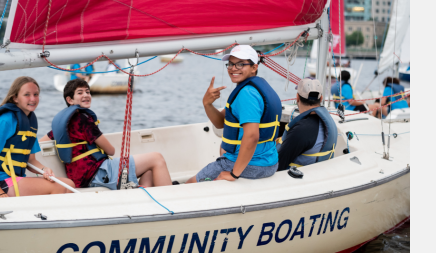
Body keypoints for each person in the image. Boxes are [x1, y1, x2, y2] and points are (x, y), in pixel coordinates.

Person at [40, 78, 172, 189]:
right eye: (80, 92)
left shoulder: (62, 124)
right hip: (99, 173)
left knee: (148, 171)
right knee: (156, 158)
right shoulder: (84, 119)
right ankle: (172, 200)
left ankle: (143, 202)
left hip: (82, 178)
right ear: (70, 100)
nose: (86, 95)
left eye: (88, 91)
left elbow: (40, 142)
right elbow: (111, 150)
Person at [186, 45, 282, 183]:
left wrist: (233, 174)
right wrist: (207, 104)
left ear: (254, 67)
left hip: (252, 165)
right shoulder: (256, 87)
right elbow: (220, 123)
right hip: (269, 161)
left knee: (189, 185)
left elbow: (251, 136)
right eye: (230, 64)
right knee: (223, 150)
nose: (233, 68)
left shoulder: (247, 93)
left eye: (240, 64)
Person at [0, 77, 75, 198]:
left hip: (17, 178)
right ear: (15, 98)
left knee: (69, 184)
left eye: (36, 94)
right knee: (59, 187)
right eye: (27, 95)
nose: (33, 99)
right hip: (2, 183)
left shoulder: (29, 124)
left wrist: (44, 169)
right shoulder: (4, 121)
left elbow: (30, 160)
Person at [277, 78, 338, 170]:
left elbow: (278, 164)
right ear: (321, 98)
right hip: (316, 172)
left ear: (297, 97)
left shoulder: (301, 130)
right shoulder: (328, 121)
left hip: (295, 179)